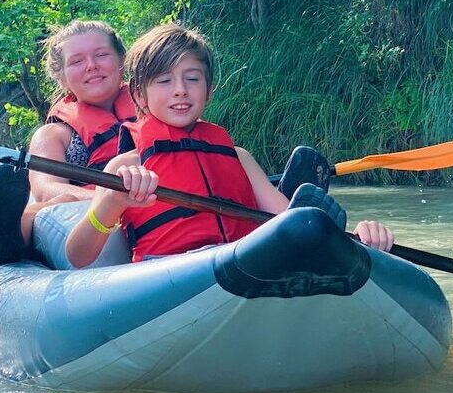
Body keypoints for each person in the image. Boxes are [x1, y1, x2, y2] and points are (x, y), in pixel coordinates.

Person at [65, 23, 394, 268]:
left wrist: (359, 239)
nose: (180, 90)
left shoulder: (239, 158)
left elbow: (288, 220)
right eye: (164, 81)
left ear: (209, 90)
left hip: (244, 262)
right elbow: (78, 256)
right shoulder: (125, 167)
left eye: (192, 78)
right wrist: (111, 202)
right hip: (169, 273)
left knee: (306, 223)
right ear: (139, 94)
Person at [0, 20, 137, 264]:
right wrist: (106, 197)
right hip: (86, 217)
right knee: (60, 200)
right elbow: (45, 189)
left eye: (101, 55)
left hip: (150, 198)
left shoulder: (159, 107)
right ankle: (8, 236)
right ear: (61, 77)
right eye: (77, 61)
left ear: (121, 61)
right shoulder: (54, 134)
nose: (91, 66)